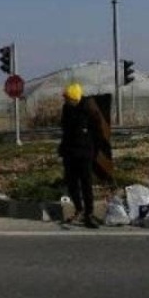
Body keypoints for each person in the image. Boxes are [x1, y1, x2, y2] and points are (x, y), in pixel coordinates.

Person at [59, 83, 104, 229]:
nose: (65, 100)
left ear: (74, 98)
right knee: (72, 183)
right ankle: (79, 208)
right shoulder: (67, 109)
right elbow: (65, 130)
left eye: (67, 97)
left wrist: (96, 150)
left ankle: (89, 214)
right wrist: (62, 148)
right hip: (70, 152)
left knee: (86, 184)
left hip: (85, 152)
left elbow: (98, 132)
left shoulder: (89, 109)